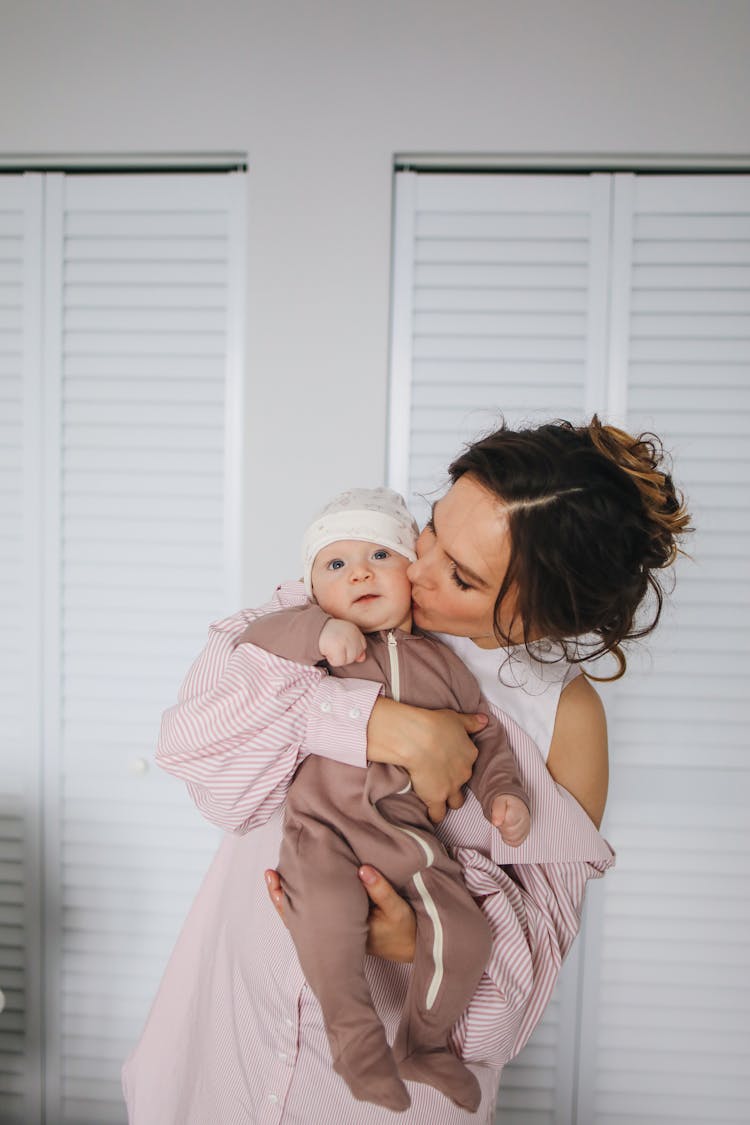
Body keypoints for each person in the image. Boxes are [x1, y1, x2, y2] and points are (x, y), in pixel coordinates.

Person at [122, 416, 690, 1125]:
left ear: (543, 616)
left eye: (461, 575)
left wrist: (418, 932)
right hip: (216, 1065)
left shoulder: (560, 724)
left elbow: (506, 1017)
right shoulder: (335, 587)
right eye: (431, 528)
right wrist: (375, 725)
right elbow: (200, 754)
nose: (411, 568)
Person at [240, 487, 530, 1113]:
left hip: (408, 842)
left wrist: (503, 792)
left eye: (379, 553)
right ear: (314, 586)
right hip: (322, 831)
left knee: (467, 935)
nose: (360, 572)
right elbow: (253, 641)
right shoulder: (316, 645)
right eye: (335, 565)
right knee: (327, 918)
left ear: (413, 572)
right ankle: (354, 1040)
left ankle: (423, 1046)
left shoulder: (446, 667)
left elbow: (487, 735)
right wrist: (319, 628)